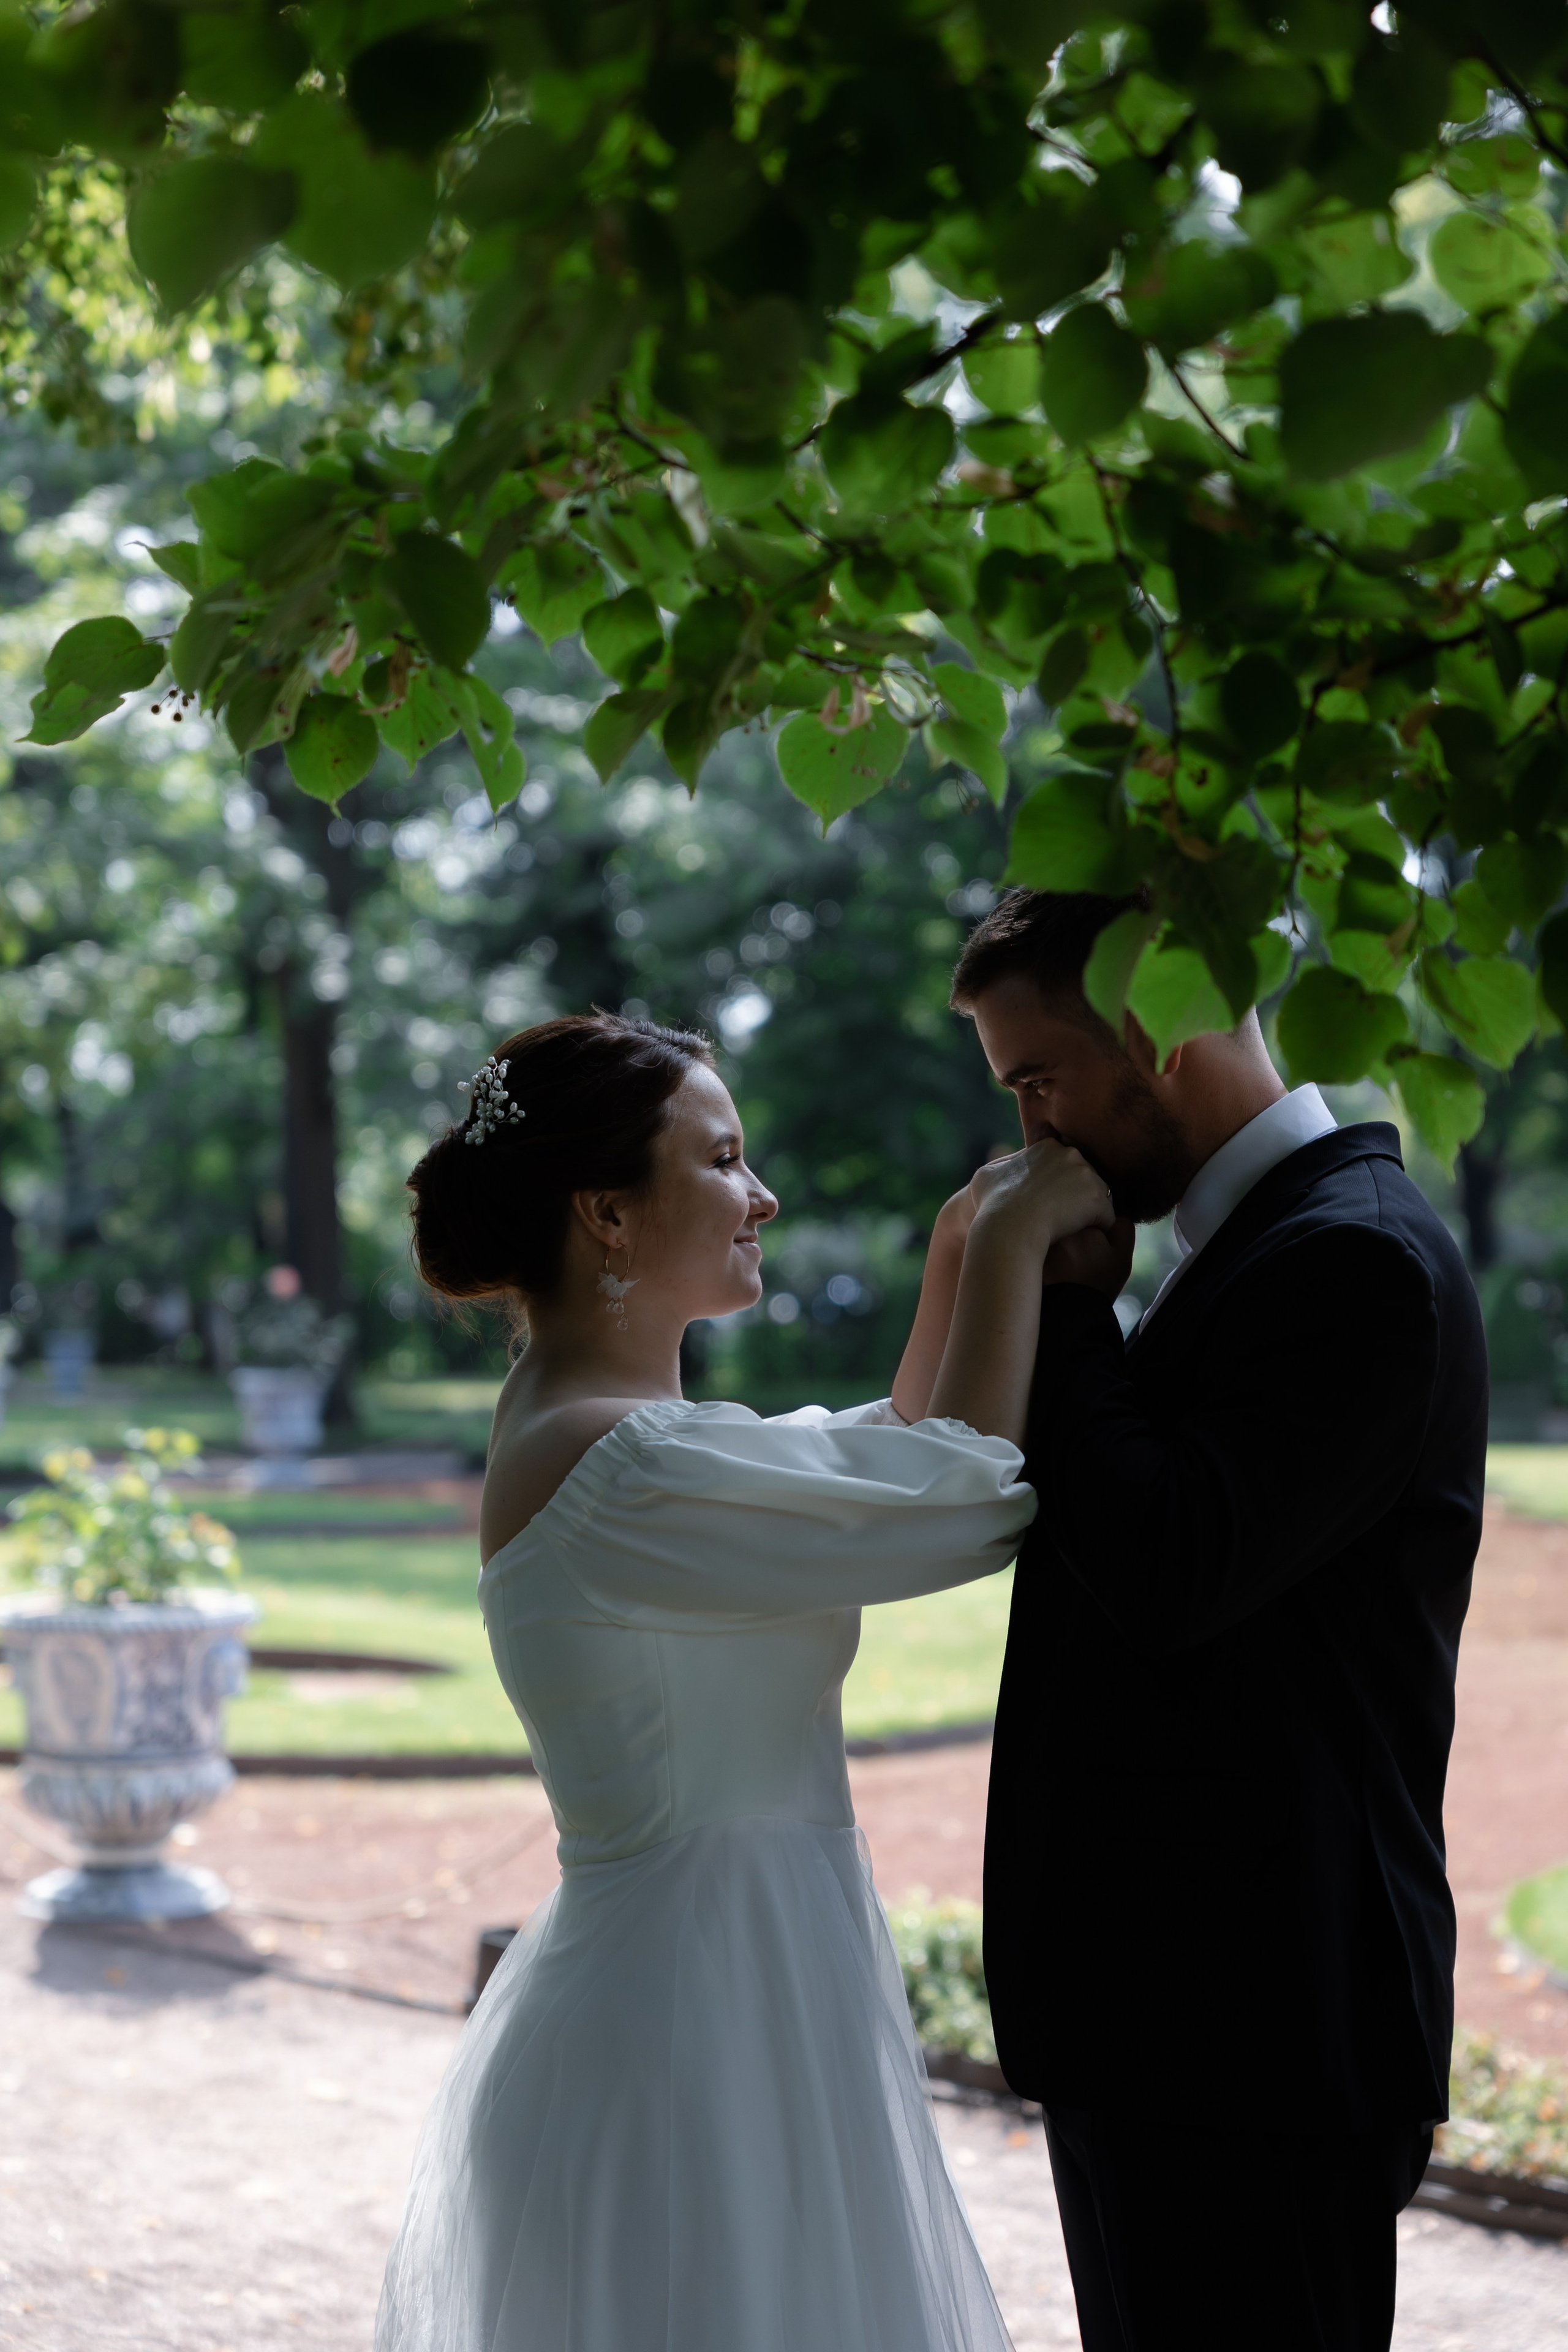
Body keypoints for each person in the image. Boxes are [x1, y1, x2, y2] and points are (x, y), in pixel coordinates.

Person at [377, 1010, 1112, 2352]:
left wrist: (956, 1251)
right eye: (721, 1160)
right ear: (606, 1214)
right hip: (687, 2039)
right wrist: (1011, 1245)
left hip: (729, 1988)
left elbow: (885, 1456)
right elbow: (962, 1504)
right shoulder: (618, 1467)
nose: (759, 1193)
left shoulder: (609, 1437)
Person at [942, 889, 1487, 2352]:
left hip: (1257, 2027)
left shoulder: (1352, 1257)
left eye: (1038, 1078)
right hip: (1180, 2014)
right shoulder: (1255, 1242)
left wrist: (1063, 1312)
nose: (1033, 1130)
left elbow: (1170, 1561)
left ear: (1148, 1031)